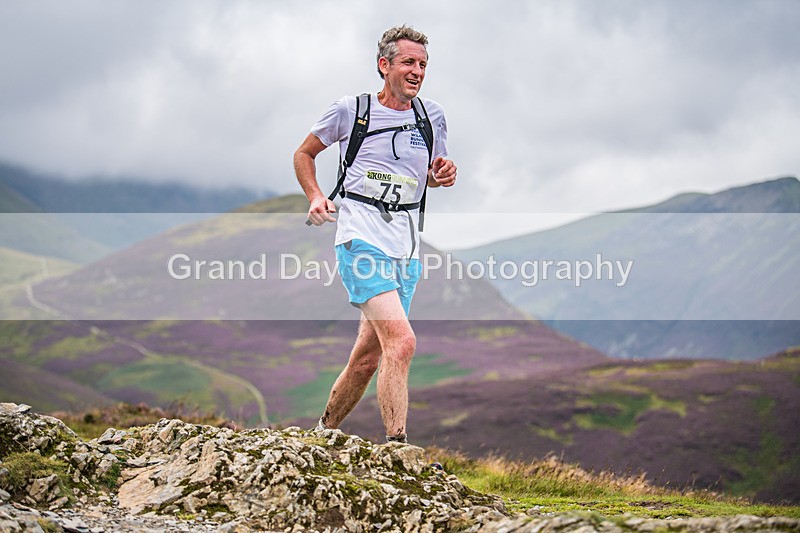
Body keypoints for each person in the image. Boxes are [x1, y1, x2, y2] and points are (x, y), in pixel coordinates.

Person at [293, 25, 457, 444]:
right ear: (384, 66)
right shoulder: (352, 110)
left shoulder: (431, 116)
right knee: (402, 343)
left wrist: (442, 175)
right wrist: (315, 196)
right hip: (360, 237)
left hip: (406, 245)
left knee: (368, 359)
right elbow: (304, 153)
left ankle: (321, 436)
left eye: (422, 64)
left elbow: (427, 177)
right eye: (408, 62)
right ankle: (397, 450)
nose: (417, 71)